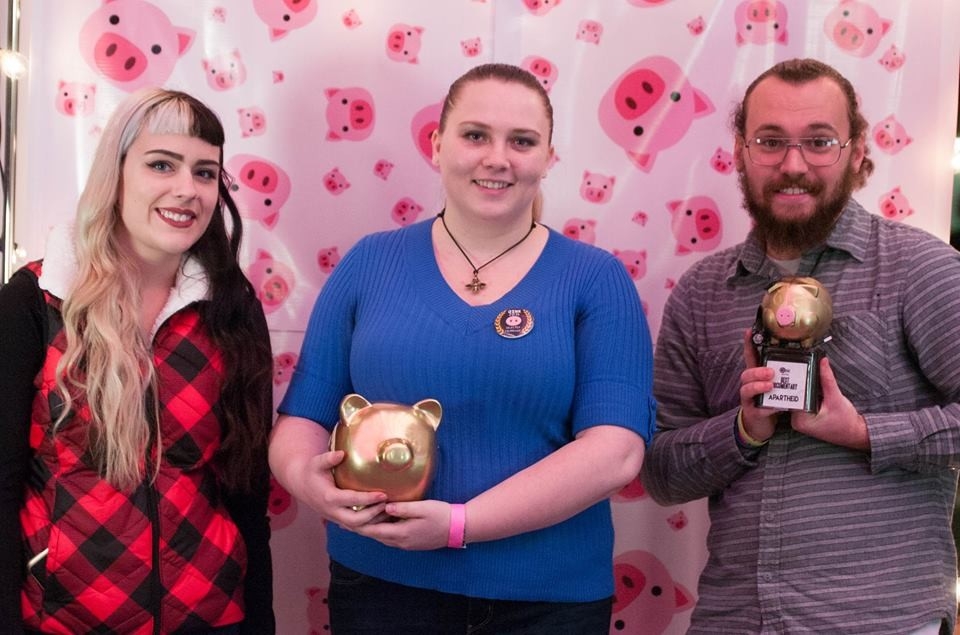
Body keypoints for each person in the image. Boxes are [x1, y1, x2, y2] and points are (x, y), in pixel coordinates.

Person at [270, 62, 655, 634]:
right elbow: (301, 422)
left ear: (549, 158)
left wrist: (459, 525)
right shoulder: (369, 264)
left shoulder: (595, 280)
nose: (496, 158)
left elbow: (616, 452)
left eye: (521, 141)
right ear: (437, 144)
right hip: (381, 590)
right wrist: (311, 485)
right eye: (475, 135)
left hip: (548, 603)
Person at [641, 57, 960, 634]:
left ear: (857, 150)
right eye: (770, 141)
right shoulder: (702, 292)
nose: (793, 165)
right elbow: (661, 471)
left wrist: (863, 432)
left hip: (883, 621)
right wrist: (742, 430)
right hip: (736, 620)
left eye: (819, 141)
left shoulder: (922, 268)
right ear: (740, 150)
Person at [0, 88, 275, 634]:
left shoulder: (232, 307)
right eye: (161, 164)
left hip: (212, 616)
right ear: (115, 173)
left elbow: (248, 490)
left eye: (204, 172)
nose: (186, 190)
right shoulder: (35, 300)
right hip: (61, 619)